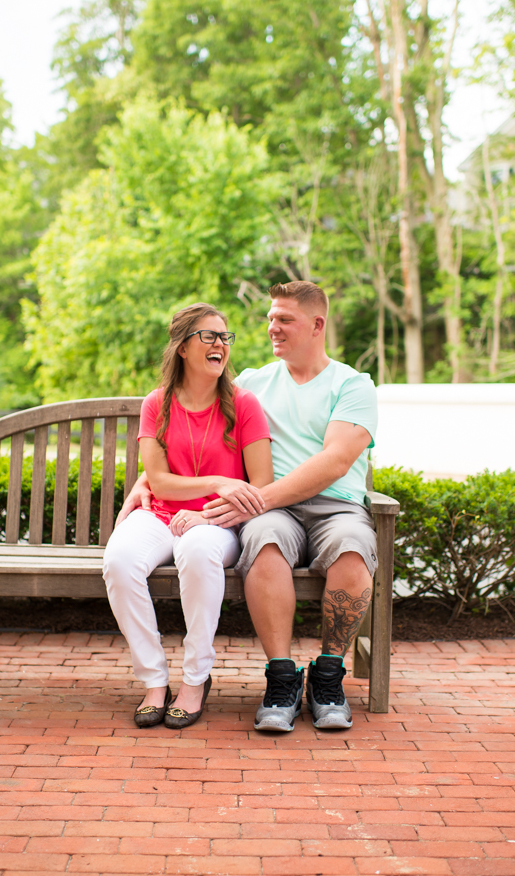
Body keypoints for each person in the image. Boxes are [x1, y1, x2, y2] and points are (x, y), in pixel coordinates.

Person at [118, 281, 377, 733]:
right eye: (271, 318)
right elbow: (189, 420)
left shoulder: (352, 385)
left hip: (332, 507)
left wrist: (251, 500)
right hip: (271, 511)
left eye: (284, 320)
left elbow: (335, 461)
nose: (272, 327)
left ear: (317, 325)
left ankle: (329, 677)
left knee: (353, 551)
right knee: (265, 544)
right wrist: (148, 479)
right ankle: (282, 678)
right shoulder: (253, 383)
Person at [103, 302, 272, 729]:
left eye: (225, 337)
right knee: (119, 562)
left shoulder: (244, 405)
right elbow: (159, 482)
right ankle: (154, 681)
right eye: (209, 336)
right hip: (160, 514)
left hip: (218, 521)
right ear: (182, 347)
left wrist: (215, 511)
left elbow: (262, 483)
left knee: (197, 553)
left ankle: (195, 680)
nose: (221, 344)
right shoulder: (156, 404)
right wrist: (218, 481)